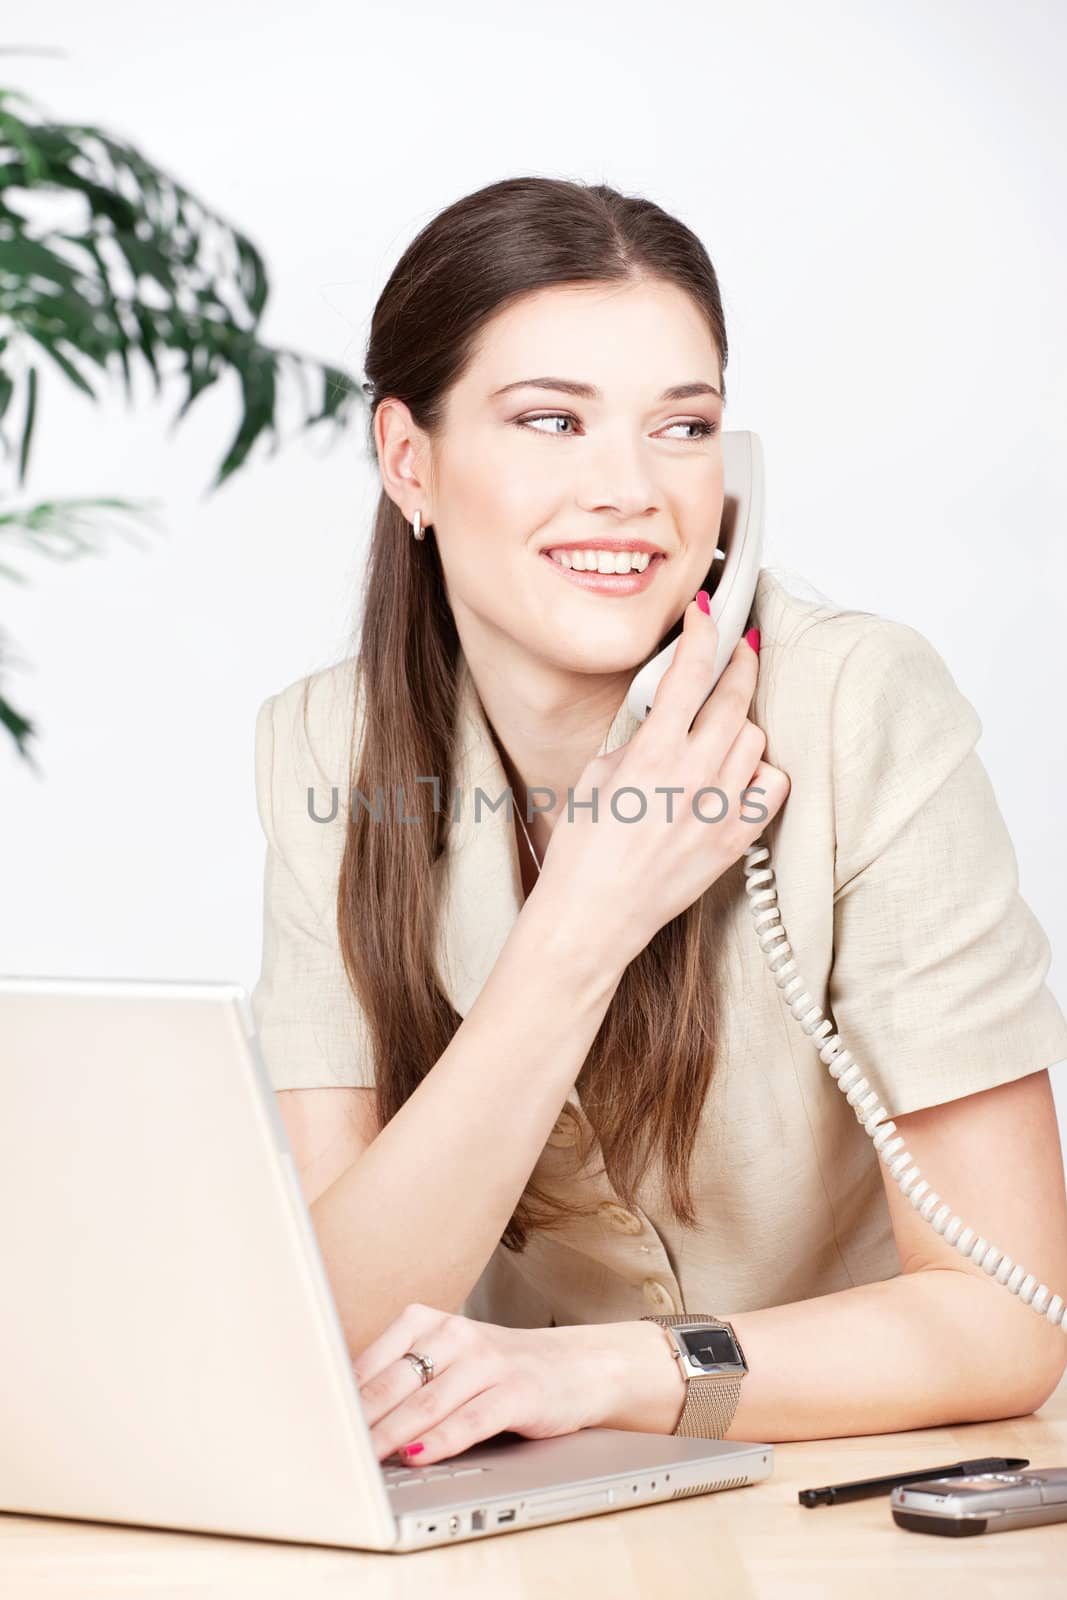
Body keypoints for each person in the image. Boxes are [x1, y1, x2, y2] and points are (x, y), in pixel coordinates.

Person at [250, 176, 1067, 1469]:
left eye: (681, 428)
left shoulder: (859, 706)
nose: (631, 489)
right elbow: (314, 1337)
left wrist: (597, 1371)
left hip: (847, 1489)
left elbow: (1010, 1319)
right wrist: (579, 926)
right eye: (551, 421)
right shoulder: (326, 747)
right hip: (522, 1523)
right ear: (411, 460)